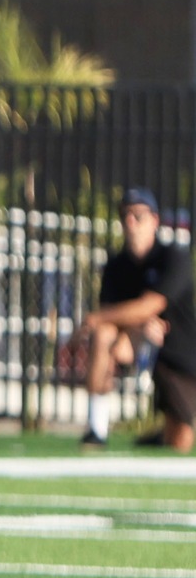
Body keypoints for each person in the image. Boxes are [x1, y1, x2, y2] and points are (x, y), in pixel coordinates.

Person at [77, 187, 195, 451]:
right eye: (125, 216)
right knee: (103, 334)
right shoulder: (116, 266)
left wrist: (96, 317)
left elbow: (150, 305)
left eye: (138, 216)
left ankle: (161, 435)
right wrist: (139, 325)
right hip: (135, 338)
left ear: (154, 220)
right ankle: (96, 430)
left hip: (176, 350)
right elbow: (117, 315)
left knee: (180, 442)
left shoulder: (173, 258)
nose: (131, 222)